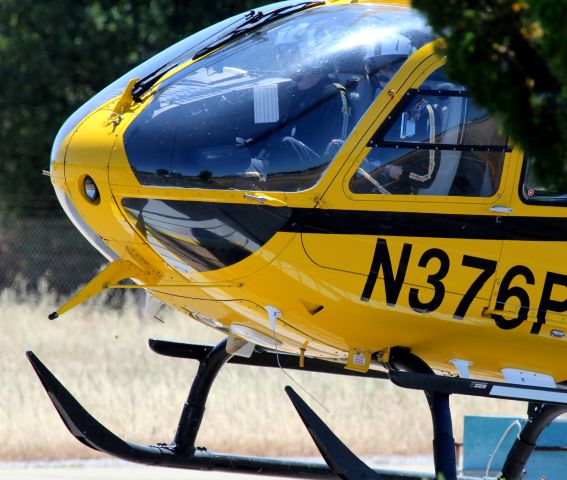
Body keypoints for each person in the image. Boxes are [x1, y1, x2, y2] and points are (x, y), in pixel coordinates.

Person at [356, 34, 440, 194]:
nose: (384, 73)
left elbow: (426, 176)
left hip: (391, 194)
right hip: (356, 181)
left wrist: (380, 169)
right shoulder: (368, 104)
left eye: (393, 67)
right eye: (376, 67)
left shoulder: (423, 110)